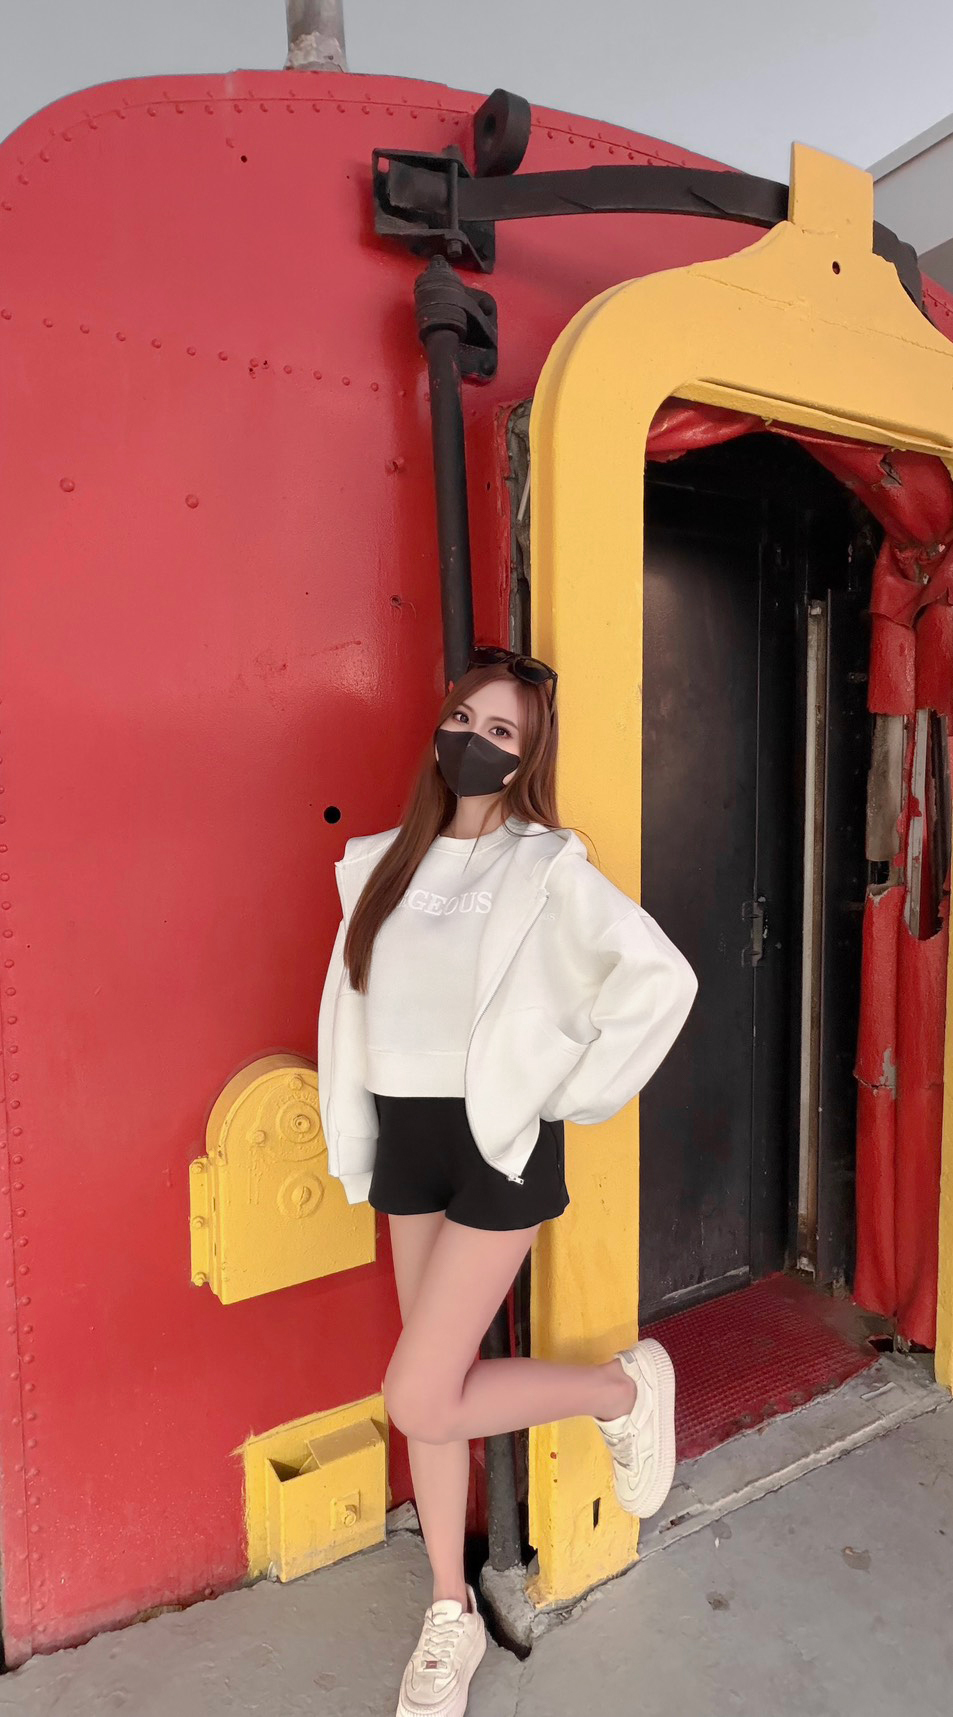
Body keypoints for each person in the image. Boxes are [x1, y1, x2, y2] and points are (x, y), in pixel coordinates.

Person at [317, 646, 697, 1717]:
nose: (473, 742)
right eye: (464, 720)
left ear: (526, 758)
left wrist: (566, 1090)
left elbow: (660, 978)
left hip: (497, 1142)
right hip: (406, 1137)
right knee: (431, 1396)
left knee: (416, 1392)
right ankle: (450, 1606)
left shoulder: (546, 865)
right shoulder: (385, 863)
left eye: (501, 733)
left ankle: (620, 1391)